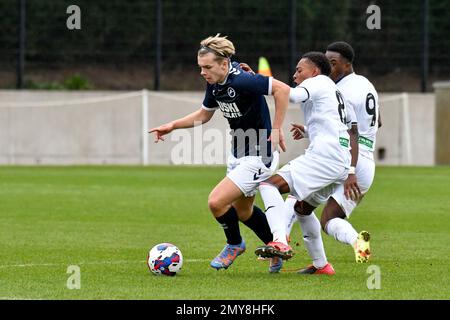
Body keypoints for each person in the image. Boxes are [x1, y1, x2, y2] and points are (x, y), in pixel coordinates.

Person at [149, 34, 291, 271]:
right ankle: (275, 248)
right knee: (243, 211)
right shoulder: (215, 82)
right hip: (239, 152)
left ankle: (234, 244)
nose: (203, 72)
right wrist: (172, 125)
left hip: (260, 153)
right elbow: (204, 115)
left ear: (223, 64)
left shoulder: (242, 80)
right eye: (200, 67)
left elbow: (283, 90)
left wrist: (276, 128)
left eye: (207, 67)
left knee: (216, 202)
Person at [254, 51, 358, 275]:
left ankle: (280, 241)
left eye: (299, 70)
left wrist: (256, 81)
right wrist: (310, 131)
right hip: (340, 160)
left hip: (325, 158)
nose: (295, 75)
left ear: (315, 71)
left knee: (269, 185)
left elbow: (290, 95)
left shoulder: (319, 82)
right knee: (302, 209)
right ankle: (322, 266)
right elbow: (341, 127)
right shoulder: (335, 90)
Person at [286, 41, 381, 265]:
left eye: (333, 63)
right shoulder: (366, 84)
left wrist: (350, 170)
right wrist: (310, 131)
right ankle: (357, 242)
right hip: (364, 159)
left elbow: (350, 131)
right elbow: (377, 122)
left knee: (295, 192)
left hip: (349, 159)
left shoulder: (340, 91)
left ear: (346, 65)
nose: (328, 68)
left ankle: (280, 240)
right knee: (320, 214)